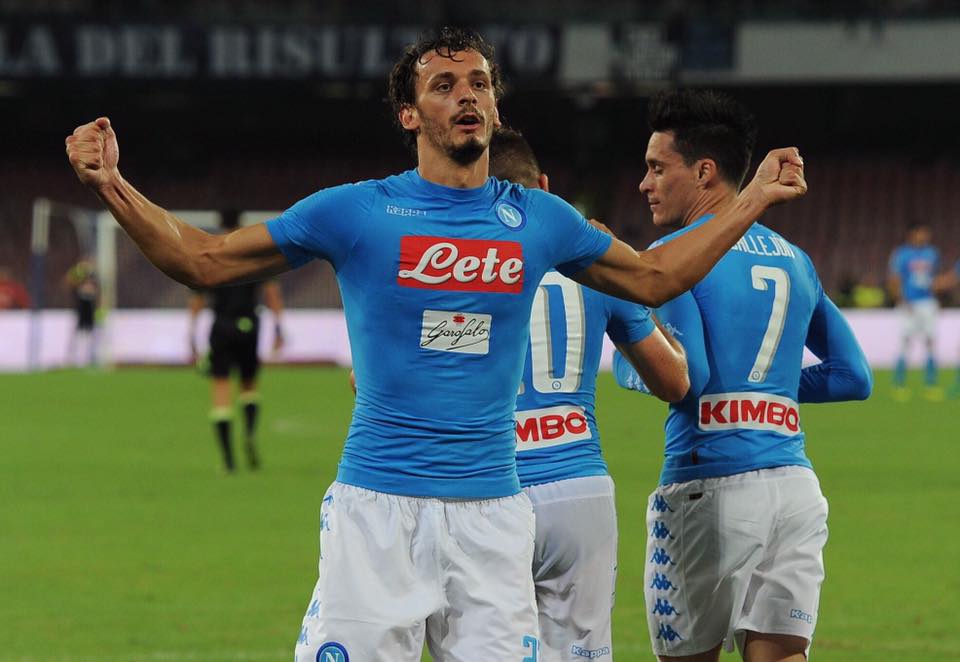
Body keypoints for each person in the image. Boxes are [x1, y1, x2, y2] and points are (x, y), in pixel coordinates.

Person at [66, 27, 807, 662]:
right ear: (409, 114)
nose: (466, 96)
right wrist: (112, 185)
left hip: (493, 517)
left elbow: (652, 277)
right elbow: (203, 259)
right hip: (378, 512)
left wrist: (752, 199)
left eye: (479, 83)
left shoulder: (540, 220)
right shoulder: (358, 212)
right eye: (444, 85)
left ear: (496, 107)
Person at [611, 89, 872, 662]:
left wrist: (627, 367)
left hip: (709, 487)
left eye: (657, 168)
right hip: (794, 488)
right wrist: (764, 393)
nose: (644, 183)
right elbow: (854, 377)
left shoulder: (674, 256)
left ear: (704, 171)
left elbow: (686, 378)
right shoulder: (795, 258)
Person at [490, 127, 690, 661]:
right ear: (545, 187)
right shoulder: (595, 265)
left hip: (491, 488)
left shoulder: (461, 268)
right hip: (579, 487)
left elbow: (373, 379)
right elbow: (674, 380)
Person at [187, 209, 285, 473]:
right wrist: (278, 328)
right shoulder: (253, 254)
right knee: (249, 386)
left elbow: (197, 298)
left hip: (221, 326)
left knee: (221, 391)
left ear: (220, 225)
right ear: (240, 224)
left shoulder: (212, 255)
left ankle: (228, 460)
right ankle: (250, 434)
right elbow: (272, 293)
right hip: (250, 325)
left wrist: (191, 334)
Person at [887, 224, 942, 400]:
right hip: (909, 303)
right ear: (912, 234)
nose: (924, 236)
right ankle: (899, 384)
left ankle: (931, 384)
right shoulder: (901, 254)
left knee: (930, 341)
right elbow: (894, 278)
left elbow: (934, 278)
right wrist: (901, 299)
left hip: (927, 302)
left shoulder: (932, 253)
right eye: (921, 232)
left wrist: (936, 297)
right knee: (906, 342)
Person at [65, 258, 100, 367]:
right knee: (78, 334)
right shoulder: (78, 276)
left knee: (91, 334)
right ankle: (73, 359)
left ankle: (90, 358)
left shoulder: (93, 277)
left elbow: (96, 291)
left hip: (90, 309)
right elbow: (70, 281)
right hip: (81, 308)